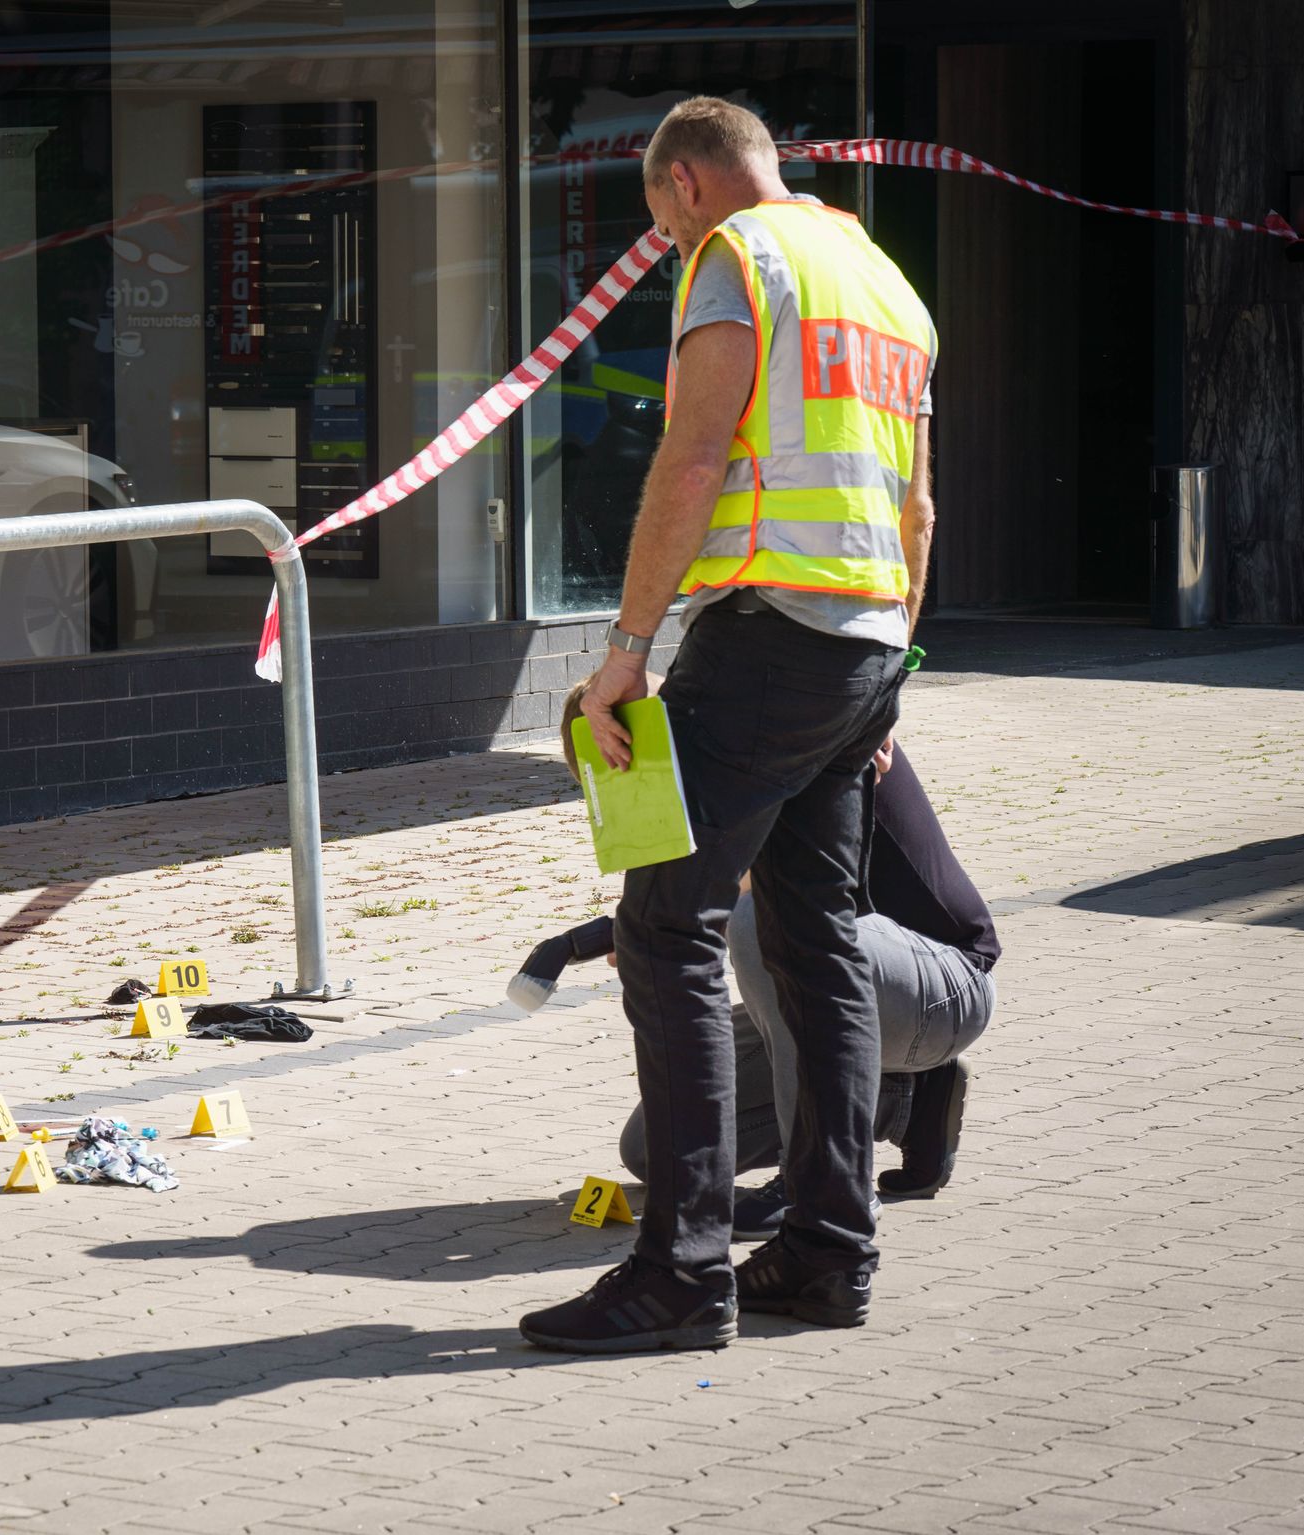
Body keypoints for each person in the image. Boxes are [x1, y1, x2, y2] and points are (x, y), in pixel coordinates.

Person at [519, 95, 938, 1354]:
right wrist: (890, 671)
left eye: (660, 220)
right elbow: (915, 507)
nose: (666, 241)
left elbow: (693, 457)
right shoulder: (882, 281)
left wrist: (625, 650)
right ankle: (826, 1251)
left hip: (762, 638)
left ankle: (682, 1270)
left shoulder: (735, 257)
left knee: (665, 929)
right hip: (862, 642)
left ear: (686, 184)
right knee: (816, 942)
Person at [512, 687, 998, 1220]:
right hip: (856, 999)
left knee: (764, 918)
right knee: (656, 1150)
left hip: (946, 987)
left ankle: (819, 1179)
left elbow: (739, 891)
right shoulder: (705, 781)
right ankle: (908, 1103)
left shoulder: (779, 743)